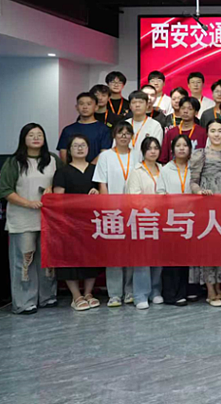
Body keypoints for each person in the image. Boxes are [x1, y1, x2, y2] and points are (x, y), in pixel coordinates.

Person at [0, 124, 61, 314]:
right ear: (23, 138)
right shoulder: (14, 162)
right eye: (31, 135)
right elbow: (5, 190)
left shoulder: (53, 159)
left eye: (39, 134)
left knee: (48, 259)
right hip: (22, 218)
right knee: (25, 259)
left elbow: (62, 182)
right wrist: (28, 203)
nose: (36, 138)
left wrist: (52, 189)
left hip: (48, 219)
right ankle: (24, 302)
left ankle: (47, 296)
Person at [189, 119, 221, 307]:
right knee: (208, 248)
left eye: (220, 130)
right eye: (213, 131)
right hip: (206, 207)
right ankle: (210, 291)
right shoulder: (200, 154)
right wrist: (199, 192)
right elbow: (193, 181)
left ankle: (219, 286)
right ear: (207, 133)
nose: (216, 134)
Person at [51, 135, 102, 311]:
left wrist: (97, 194)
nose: (80, 148)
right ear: (69, 150)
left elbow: (103, 194)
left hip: (91, 221)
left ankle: (88, 293)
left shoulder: (95, 170)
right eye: (75, 146)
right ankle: (76, 296)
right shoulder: (62, 172)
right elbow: (58, 199)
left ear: (88, 148)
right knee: (70, 259)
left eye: (83, 145)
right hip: (69, 222)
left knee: (92, 258)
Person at [93, 121, 139, 307]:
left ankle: (130, 291)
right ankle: (114, 294)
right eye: (120, 133)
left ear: (132, 136)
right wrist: (108, 207)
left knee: (132, 252)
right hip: (113, 211)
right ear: (114, 135)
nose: (124, 136)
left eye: (127, 133)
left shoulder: (137, 154)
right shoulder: (105, 156)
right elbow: (101, 183)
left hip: (134, 211)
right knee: (114, 253)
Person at [124, 137, 163, 310]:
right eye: (149, 148)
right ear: (143, 151)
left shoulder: (163, 169)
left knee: (158, 257)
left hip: (162, 219)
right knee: (142, 259)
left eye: (156, 148)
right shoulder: (136, 171)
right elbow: (134, 197)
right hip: (142, 219)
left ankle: (155, 290)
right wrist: (155, 203)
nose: (153, 151)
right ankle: (140, 294)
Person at [156, 134, 193, 306]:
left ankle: (184, 292)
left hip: (191, 218)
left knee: (186, 258)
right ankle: (170, 294)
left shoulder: (194, 168)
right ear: (172, 149)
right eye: (178, 145)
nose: (181, 148)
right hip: (171, 219)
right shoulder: (166, 169)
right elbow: (160, 192)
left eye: (185, 145)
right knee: (171, 258)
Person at [57, 92, 112, 163]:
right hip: (72, 168)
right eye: (81, 104)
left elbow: (104, 152)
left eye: (89, 104)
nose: (85, 107)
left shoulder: (104, 129)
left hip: (96, 168)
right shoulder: (68, 130)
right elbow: (63, 152)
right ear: (76, 107)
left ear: (96, 107)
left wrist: (89, 168)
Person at [159, 97, 207, 163]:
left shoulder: (203, 133)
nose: (185, 111)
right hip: (174, 168)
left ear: (196, 112)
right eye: (183, 108)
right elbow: (164, 158)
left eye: (190, 109)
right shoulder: (171, 132)